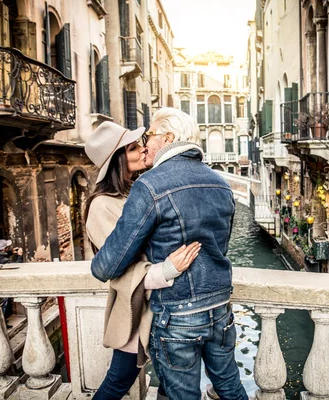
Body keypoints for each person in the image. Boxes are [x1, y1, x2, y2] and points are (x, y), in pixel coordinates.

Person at [91, 108, 248, 400]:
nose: (146, 144)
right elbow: (219, 244)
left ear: (168, 138)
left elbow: (105, 267)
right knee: (230, 388)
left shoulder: (149, 186)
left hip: (177, 315)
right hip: (220, 307)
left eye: (149, 136)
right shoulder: (221, 184)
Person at [84, 121, 201, 400]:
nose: (143, 148)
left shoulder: (138, 191)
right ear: (118, 159)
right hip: (136, 309)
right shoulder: (101, 206)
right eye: (134, 147)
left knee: (172, 383)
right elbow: (119, 270)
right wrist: (167, 269)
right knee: (118, 381)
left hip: (166, 307)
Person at [0, 239, 23, 328]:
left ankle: (2, 320)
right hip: (0, 283)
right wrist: (19, 256)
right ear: (4, 248)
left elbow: (1, 255)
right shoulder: (3, 260)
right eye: (7, 247)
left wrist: (11, 252)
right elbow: (16, 266)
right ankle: (2, 323)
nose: (8, 248)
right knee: (4, 302)